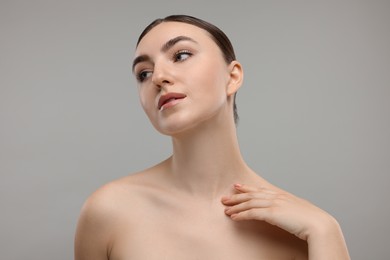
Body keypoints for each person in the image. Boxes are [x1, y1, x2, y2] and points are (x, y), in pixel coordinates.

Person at [74, 15, 350, 259]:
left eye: (181, 55)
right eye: (143, 73)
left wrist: (326, 231)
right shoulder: (108, 211)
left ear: (233, 77)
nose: (158, 76)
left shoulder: (297, 229)